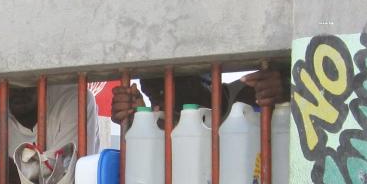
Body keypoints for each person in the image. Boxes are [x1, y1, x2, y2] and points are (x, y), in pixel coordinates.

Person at [109, 66, 289, 127]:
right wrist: (135, 121)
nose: (162, 108)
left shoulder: (248, 95)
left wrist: (288, 90)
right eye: (155, 98)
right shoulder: (158, 125)